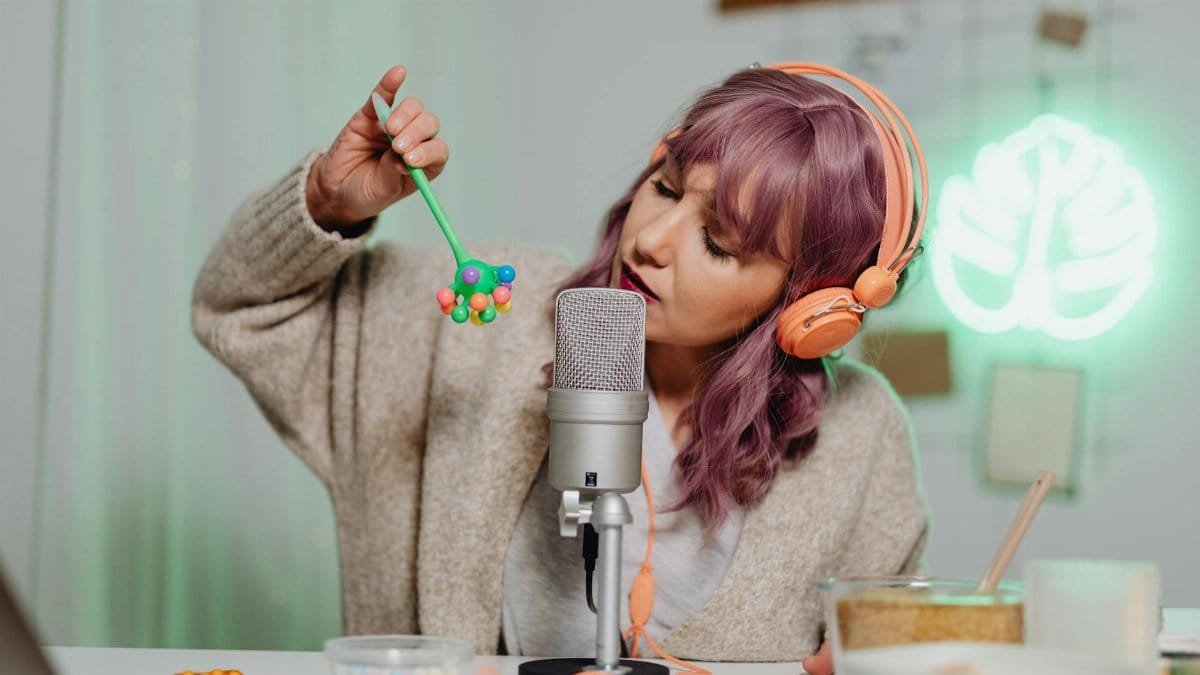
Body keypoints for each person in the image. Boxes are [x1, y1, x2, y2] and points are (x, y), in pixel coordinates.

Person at [191, 64, 928, 673]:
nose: (653, 241)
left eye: (719, 243)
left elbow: (881, 650)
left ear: (806, 302)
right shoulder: (484, 320)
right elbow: (242, 310)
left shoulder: (861, 435)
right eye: (666, 188)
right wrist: (325, 203)